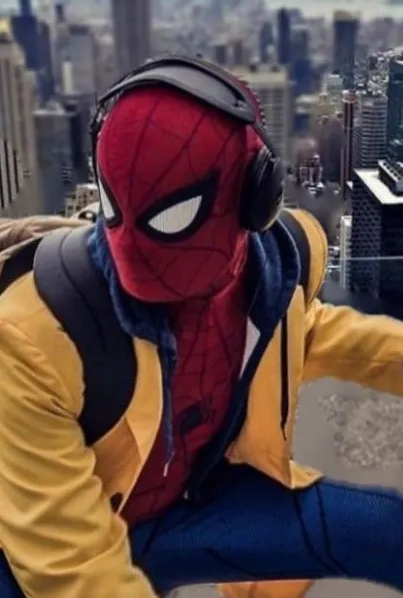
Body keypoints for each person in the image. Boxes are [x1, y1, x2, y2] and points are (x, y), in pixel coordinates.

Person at [1, 54, 403, 598]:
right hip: (36, 554)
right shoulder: (32, 336)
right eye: (123, 212)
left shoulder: (269, 272)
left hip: (191, 509)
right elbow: (74, 569)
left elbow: (317, 335)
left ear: (254, 197)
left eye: (172, 217)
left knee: (386, 529)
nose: (140, 255)